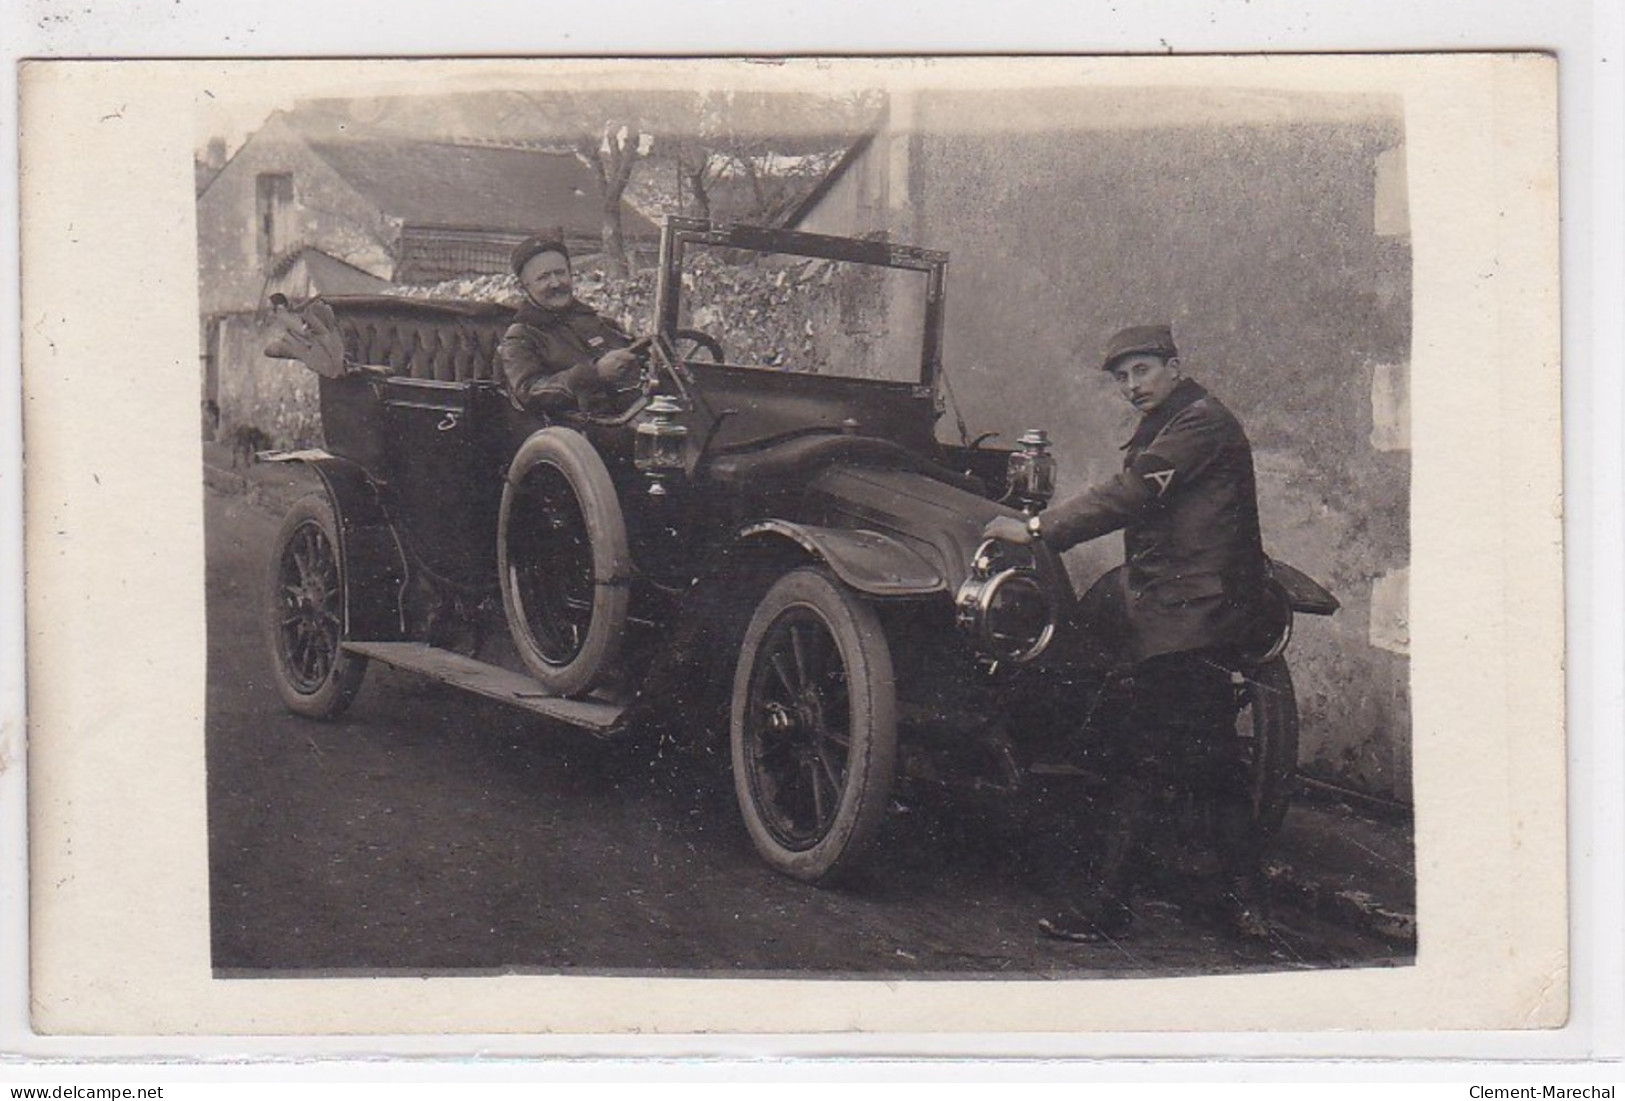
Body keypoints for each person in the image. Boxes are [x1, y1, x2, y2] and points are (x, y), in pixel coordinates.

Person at [982, 324, 1273, 943]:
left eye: (1142, 371)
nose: (1131, 387)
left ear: (1174, 365)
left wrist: (1038, 531)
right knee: (1214, 766)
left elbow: (1132, 494)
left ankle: (1109, 908)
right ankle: (1242, 908)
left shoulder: (1197, 424)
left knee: (1144, 762)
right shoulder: (1180, 422)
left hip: (1191, 615)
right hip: (1195, 611)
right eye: (1120, 378)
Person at [497, 235, 642, 417]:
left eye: (560, 273)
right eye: (543, 277)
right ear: (523, 287)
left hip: (628, 416)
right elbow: (529, 391)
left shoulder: (599, 323)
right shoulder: (520, 336)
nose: (556, 283)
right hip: (573, 432)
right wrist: (593, 373)